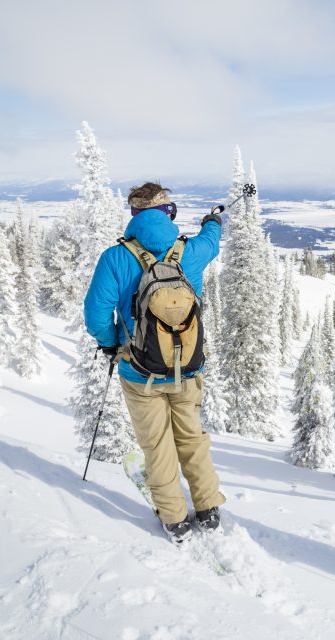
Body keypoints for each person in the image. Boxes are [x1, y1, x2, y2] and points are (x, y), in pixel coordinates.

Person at [84, 182, 226, 544]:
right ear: (168, 212)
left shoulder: (115, 258)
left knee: (158, 445)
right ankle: (208, 509)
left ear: (135, 215)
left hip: (140, 371)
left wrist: (113, 343)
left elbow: (97, 315)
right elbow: (212, 239)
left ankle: (175, 519)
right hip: (188, 369)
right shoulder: (190, 251)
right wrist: (213, 221)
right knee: (192, 439)